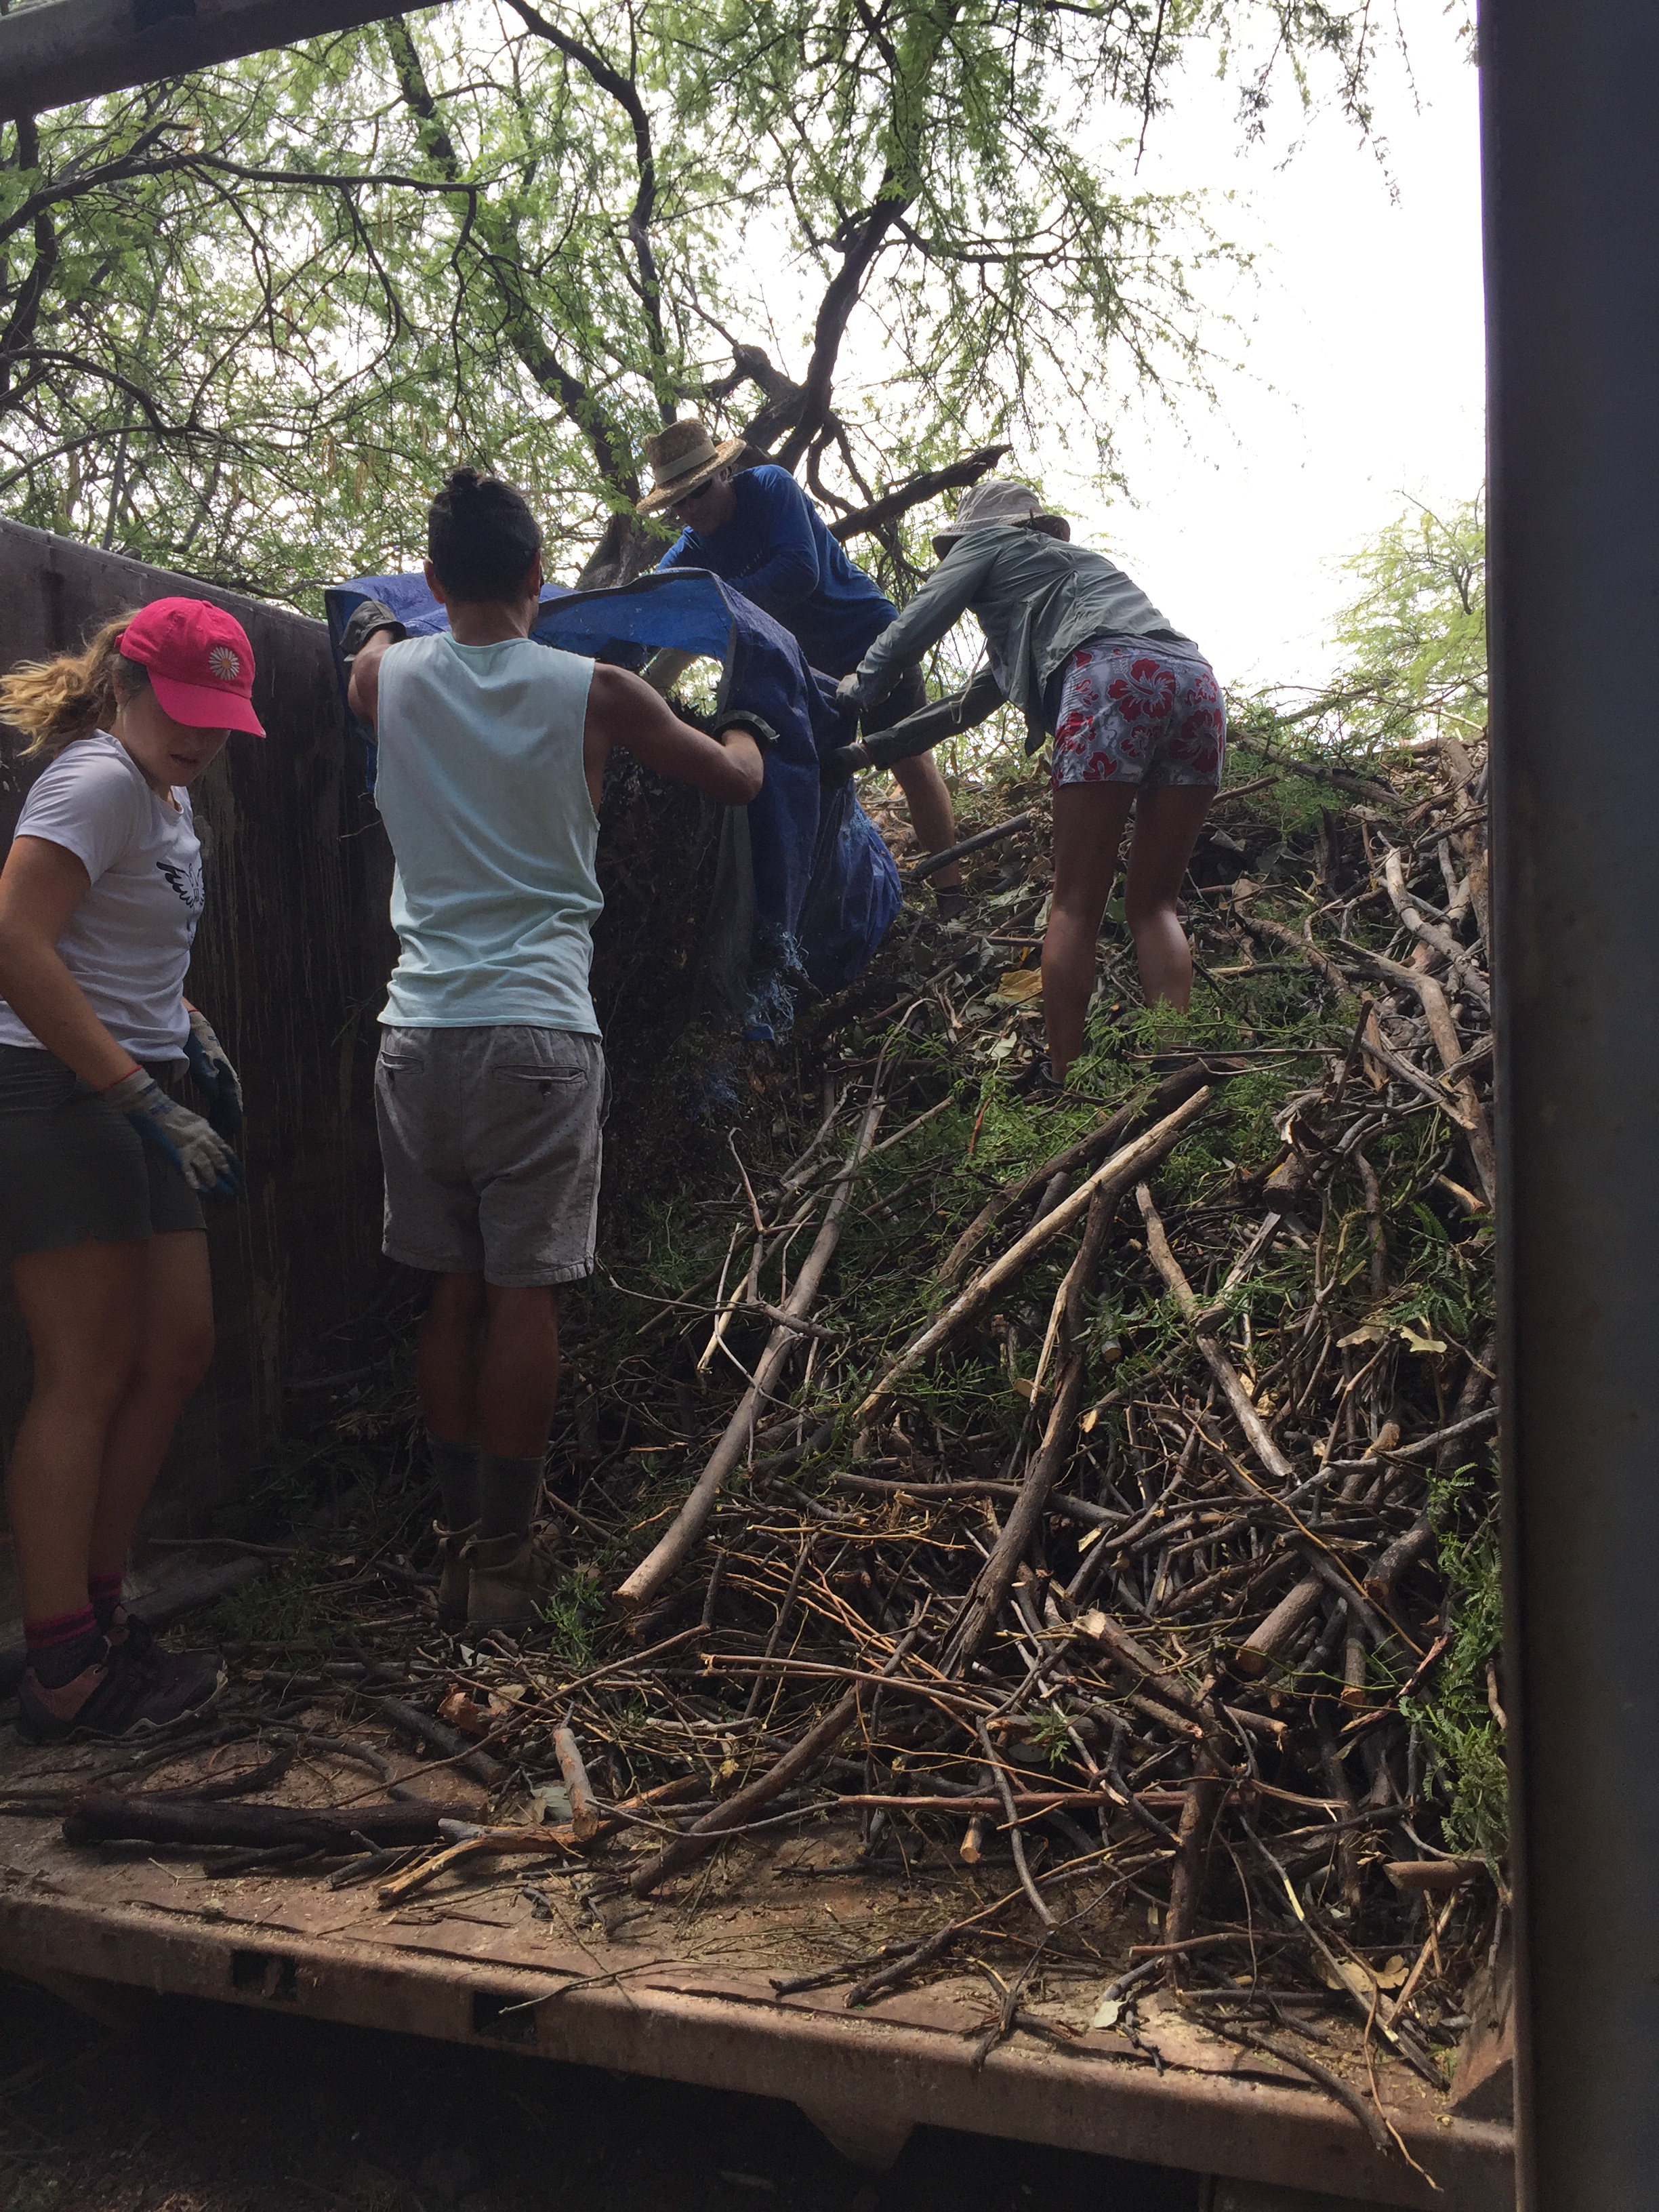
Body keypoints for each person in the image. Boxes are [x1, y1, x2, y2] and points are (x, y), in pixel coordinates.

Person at [346, 468, 765, 1633]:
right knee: (524, 1292)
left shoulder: (385, 679)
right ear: (540, 574)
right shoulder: (596, 689)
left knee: (451, 1286)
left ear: (436, 585)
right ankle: (505, 1556)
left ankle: (450, 1540)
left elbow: (364, 645)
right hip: (536, 1030)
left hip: (415, 1036)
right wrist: (751, 717)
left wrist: (379, 618)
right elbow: (733, 781)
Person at [0, 597, 260, 1742]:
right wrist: (137, 1092)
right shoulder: (98, 778)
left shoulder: (165, 793)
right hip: (62, 1091)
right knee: (87, 1368)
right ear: (126, 684)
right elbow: (14, 940)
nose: (199, 735)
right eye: (182, 709)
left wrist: (186, 1028)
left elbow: (110, 939)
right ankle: (65, 1666)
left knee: (177, 1348)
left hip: (137, 1084)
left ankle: (103, 1619)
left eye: (220, 718)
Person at [842, 478, 1225, 1084]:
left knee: (1076, 904)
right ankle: (1173, 1064)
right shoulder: (1059, 585)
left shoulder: (988, 543)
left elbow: (916, 622)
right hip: (1196, 682)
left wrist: (857, 688)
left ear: (976, 537)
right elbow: (964, 707)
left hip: (1109, 677)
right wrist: (870, 751)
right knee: (1154, 903)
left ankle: (1064, 1076)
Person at [638, 418, 967, 916]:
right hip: (806, 672)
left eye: (698, 491)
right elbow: (652, 611)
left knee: (908, 756)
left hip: (868, 637)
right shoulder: (691, 551)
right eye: (677, 502)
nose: (690, 509)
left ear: (725, 473)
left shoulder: (771, 487)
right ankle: (845, 909)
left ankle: (952, 894)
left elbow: (799, 572)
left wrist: (712, 601)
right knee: (813, 780)